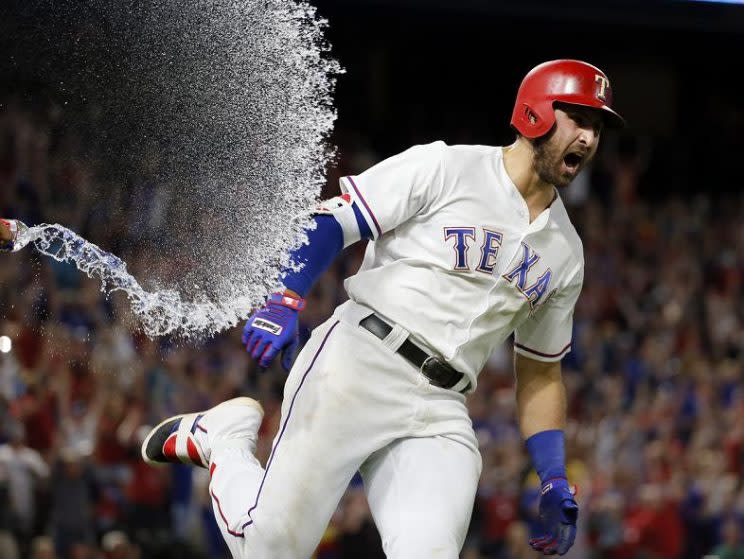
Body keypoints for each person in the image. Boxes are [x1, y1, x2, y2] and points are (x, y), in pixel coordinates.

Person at [4, 59, 624, 558]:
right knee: (269, 548)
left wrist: (553, 475)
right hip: (359, 362)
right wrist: (286, 296)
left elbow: (540, 370)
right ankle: (222, 441)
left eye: (598, 126)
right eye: (580, 118)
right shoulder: (446, 166)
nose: (590, 138)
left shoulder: (565, 251)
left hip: (440, 407)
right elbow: (334, 221)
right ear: (537, 113)